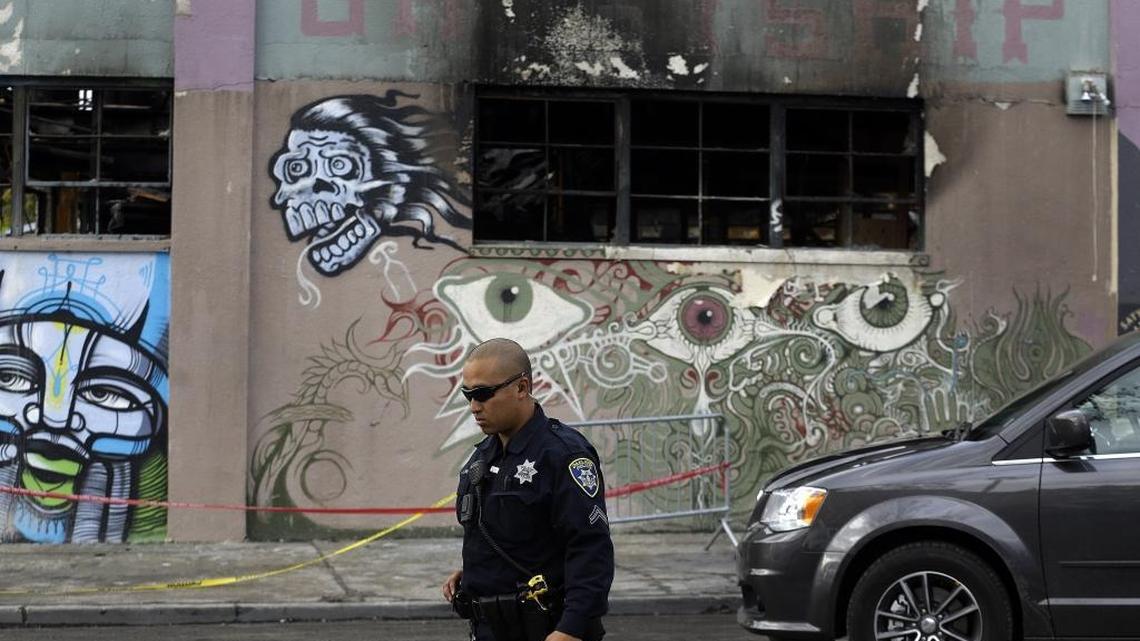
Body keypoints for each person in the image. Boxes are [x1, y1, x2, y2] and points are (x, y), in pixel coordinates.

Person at [442, 338, 613, 641]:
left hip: (547, 629)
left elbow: (590, 548)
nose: (474, 406)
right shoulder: (482, 457)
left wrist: (570, 630)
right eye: (467, 394)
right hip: (490, 629)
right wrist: (477, 574)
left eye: (483, 393)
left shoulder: (563, 455)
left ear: (521, 388)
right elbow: (508, 535)